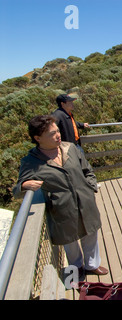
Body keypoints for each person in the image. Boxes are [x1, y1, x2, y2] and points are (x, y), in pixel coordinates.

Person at [13, 115, 108, 279]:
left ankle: (92, 265)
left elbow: (87, 170)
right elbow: (16, 191)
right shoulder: (31, 162)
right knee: (70, 240)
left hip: (85, 201)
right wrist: (24, 186)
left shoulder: (70, 148)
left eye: (57, 131)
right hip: (61, 209)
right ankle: (77, 268)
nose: (58, 135)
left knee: (90, 233)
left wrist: (90, 186)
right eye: (52, 133)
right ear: (38, 138)